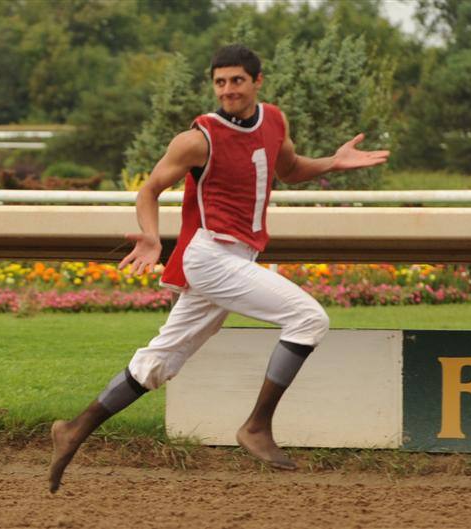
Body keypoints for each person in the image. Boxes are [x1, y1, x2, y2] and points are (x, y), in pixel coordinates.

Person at [48, 44, 389, 493]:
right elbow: (149, 190)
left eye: (237, 81)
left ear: (257, 81)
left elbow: (288, 168)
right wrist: (151, 237)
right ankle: (256, 427)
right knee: (308, 318)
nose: (227, 90)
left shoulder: (274, 120)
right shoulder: (197, 138)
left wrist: (334, 162)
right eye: (220, 82)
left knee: (159, 362)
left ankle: (73, 429)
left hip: (237, 258)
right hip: (208, 257)